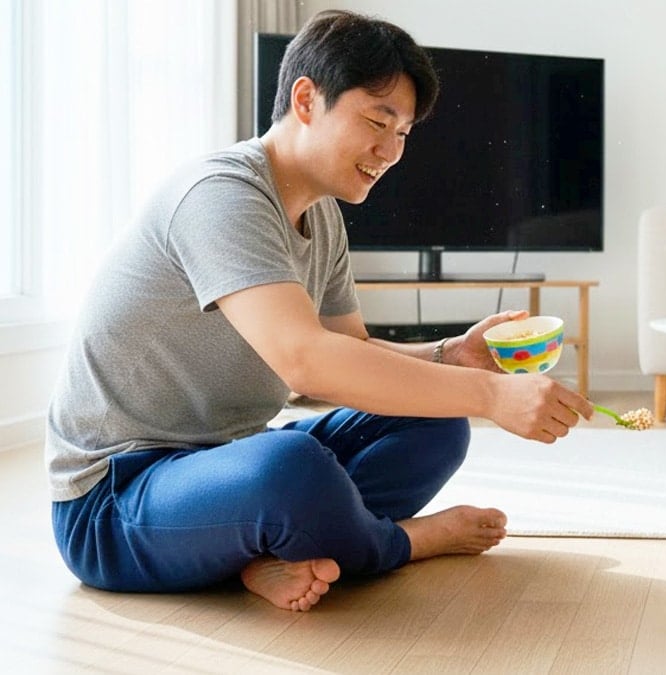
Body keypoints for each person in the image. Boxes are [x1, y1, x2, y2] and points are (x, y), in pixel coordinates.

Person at [45, 9, 593, 613]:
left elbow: (350, 352)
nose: (391, 151)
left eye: (404, 133)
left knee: (432, 421)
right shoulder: (221, 195)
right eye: (378, 121)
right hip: (115, 500)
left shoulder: (321, 215)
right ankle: (399, 544)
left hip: (223, 465)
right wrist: (490, 396)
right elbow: (305, 362)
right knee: (289, 466)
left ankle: (267, 550)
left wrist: (451, 356)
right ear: (306, 99)